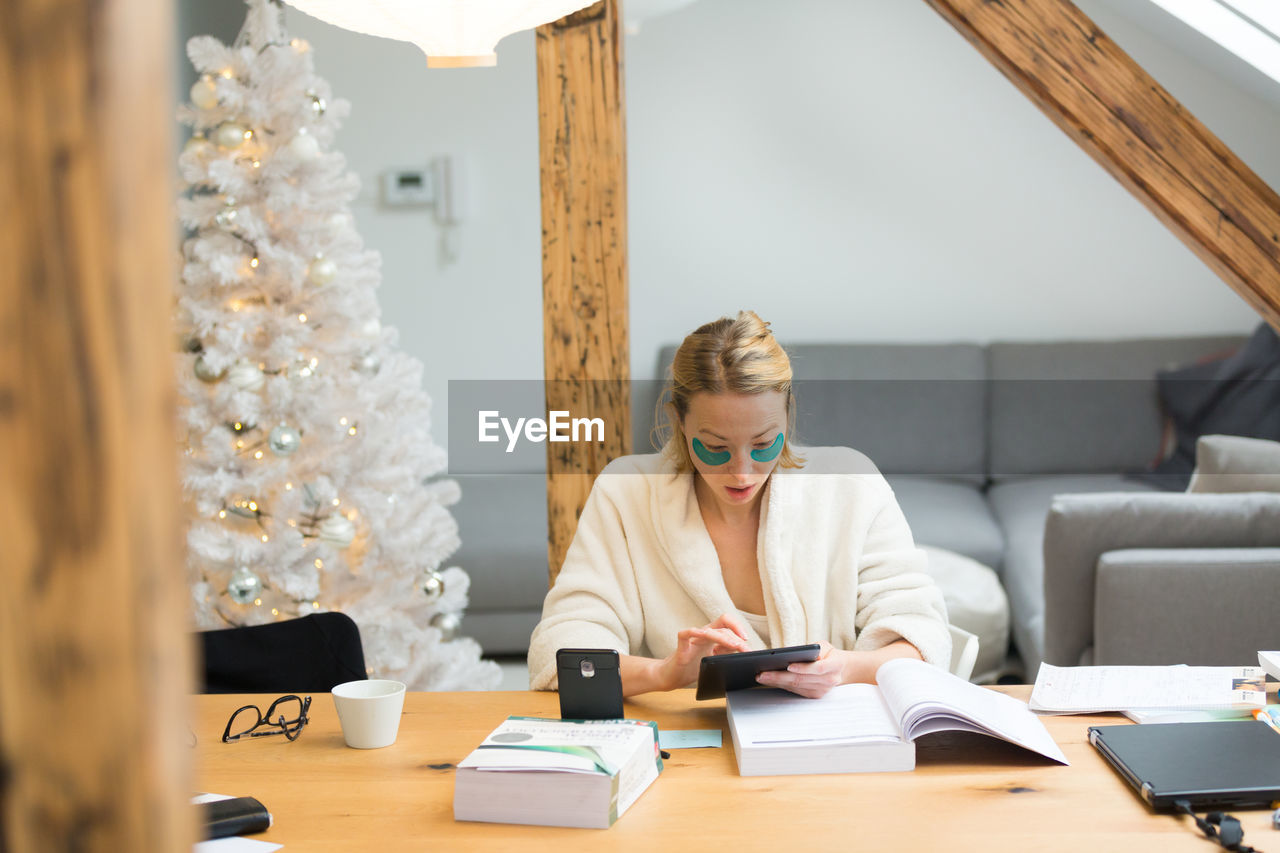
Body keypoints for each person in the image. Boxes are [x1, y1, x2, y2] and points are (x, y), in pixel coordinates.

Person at [528, 311, 950, 698]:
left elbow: (924, 638)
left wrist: (845, 668)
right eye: (715, 448)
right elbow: (560, 655)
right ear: (678, 420)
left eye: (765, 444)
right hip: (692, 750)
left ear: (788, 415)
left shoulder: (850, 484)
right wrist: (665, 674)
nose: (743, 472)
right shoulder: (627, 493)